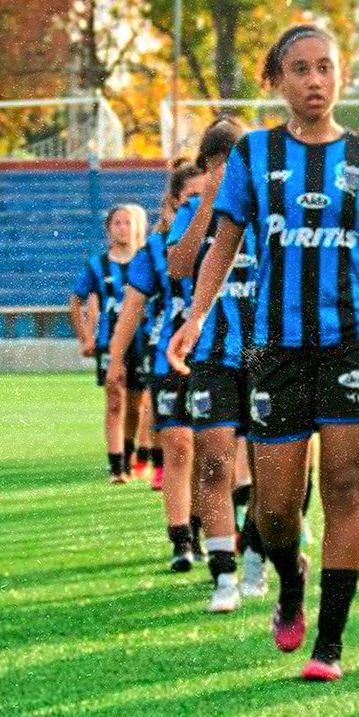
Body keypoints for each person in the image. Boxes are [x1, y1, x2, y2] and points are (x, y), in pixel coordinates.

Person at [167, 24, 359, 682]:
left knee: (345, 488)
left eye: (325, 67)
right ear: (278, 80)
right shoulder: (254, 156)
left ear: (339, 76)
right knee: (275, 507)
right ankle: (290, 583)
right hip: (278, 350)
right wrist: (196, 317)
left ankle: (330, 642)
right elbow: (223, 246)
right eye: (300, 69)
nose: (314, 80)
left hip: (352, 342)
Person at [165, 117, 259, 613]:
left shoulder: (268, 205)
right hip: (213, 353)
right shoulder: (195, 211)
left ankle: (259, 558)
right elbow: (179, 266)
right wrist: (207, 201)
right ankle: (223, 576)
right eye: (216, 166)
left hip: (268, 352)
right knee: (214, 461)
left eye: (233, 164)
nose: (226, 174)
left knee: (272, 468)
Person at [108, 161, 204, 572]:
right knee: (179, 446)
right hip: (171, 356)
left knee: (210, 452)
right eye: (193, 198)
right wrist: (115, 359)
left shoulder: (237, 237)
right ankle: (181, 540)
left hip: (221, 355)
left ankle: (209, 531)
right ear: (175, 202)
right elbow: (132, 307)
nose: (203, 206)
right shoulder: (157, 249)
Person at [69, 204, 148, 484]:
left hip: (142, 341)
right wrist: (85, 337)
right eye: (117, 223)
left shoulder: (146, 260)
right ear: (108, 228)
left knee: (137, 404)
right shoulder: (97, 265)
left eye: (127, 223)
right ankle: (116, 467)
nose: (123, 228)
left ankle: (129, 455)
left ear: (136, 227)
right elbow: (76, 300)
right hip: (109, 343)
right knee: (115, 400)